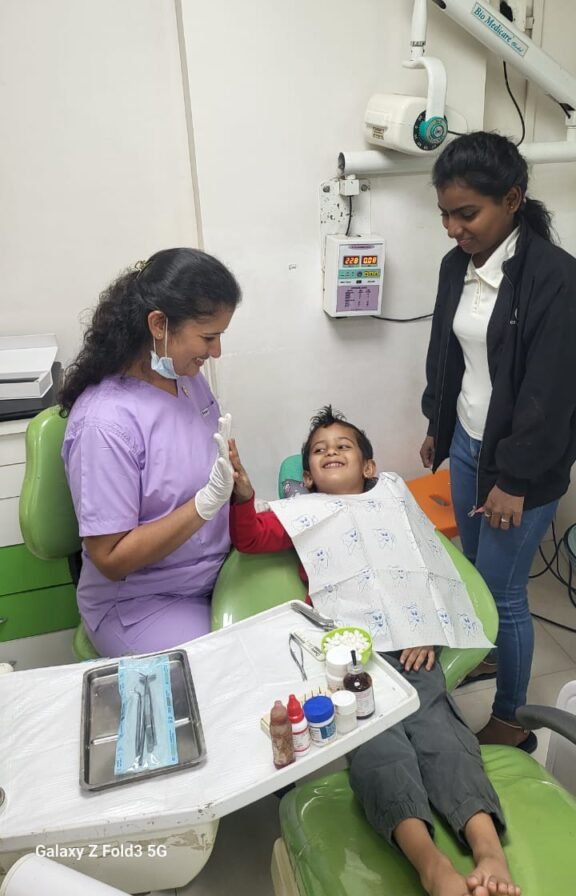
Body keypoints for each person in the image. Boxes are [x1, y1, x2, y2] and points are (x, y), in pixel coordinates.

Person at [230, 406, 520, 896]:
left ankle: (488, 848)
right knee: (377, 746)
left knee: (442, 732)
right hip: (349, 660)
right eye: (319, 450)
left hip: (412, 649)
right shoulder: (302, 512)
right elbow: (250, 538)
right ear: (308, 477)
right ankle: (429, 863)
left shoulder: (393, 498)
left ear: (368, 465)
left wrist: (425, 626)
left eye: (343, 446)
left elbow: (432, 564)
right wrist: (242, 497)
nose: (331, 452)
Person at [420, 131, 576, 751]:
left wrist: (514, 480)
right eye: (444, 215)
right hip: (467, 441)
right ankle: (487, 656)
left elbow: (551, 395)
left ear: (511, 200)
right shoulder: (455, 266)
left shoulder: (555, 279)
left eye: (466, 213)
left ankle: (512, 719)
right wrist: (437, 424)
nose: (453, 229)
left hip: (522, 465)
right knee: (473, 576)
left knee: (503, 592)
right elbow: (445, 353)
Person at [60, 247, 241, 657]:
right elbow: (111, 557)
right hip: (143, 604)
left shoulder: (185, 378)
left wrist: (236, 488)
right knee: (227, 671)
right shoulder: (105, 424)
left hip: (214, 571)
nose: (215, 352)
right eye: (208, 337)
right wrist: (205, 504)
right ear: (159, 324)